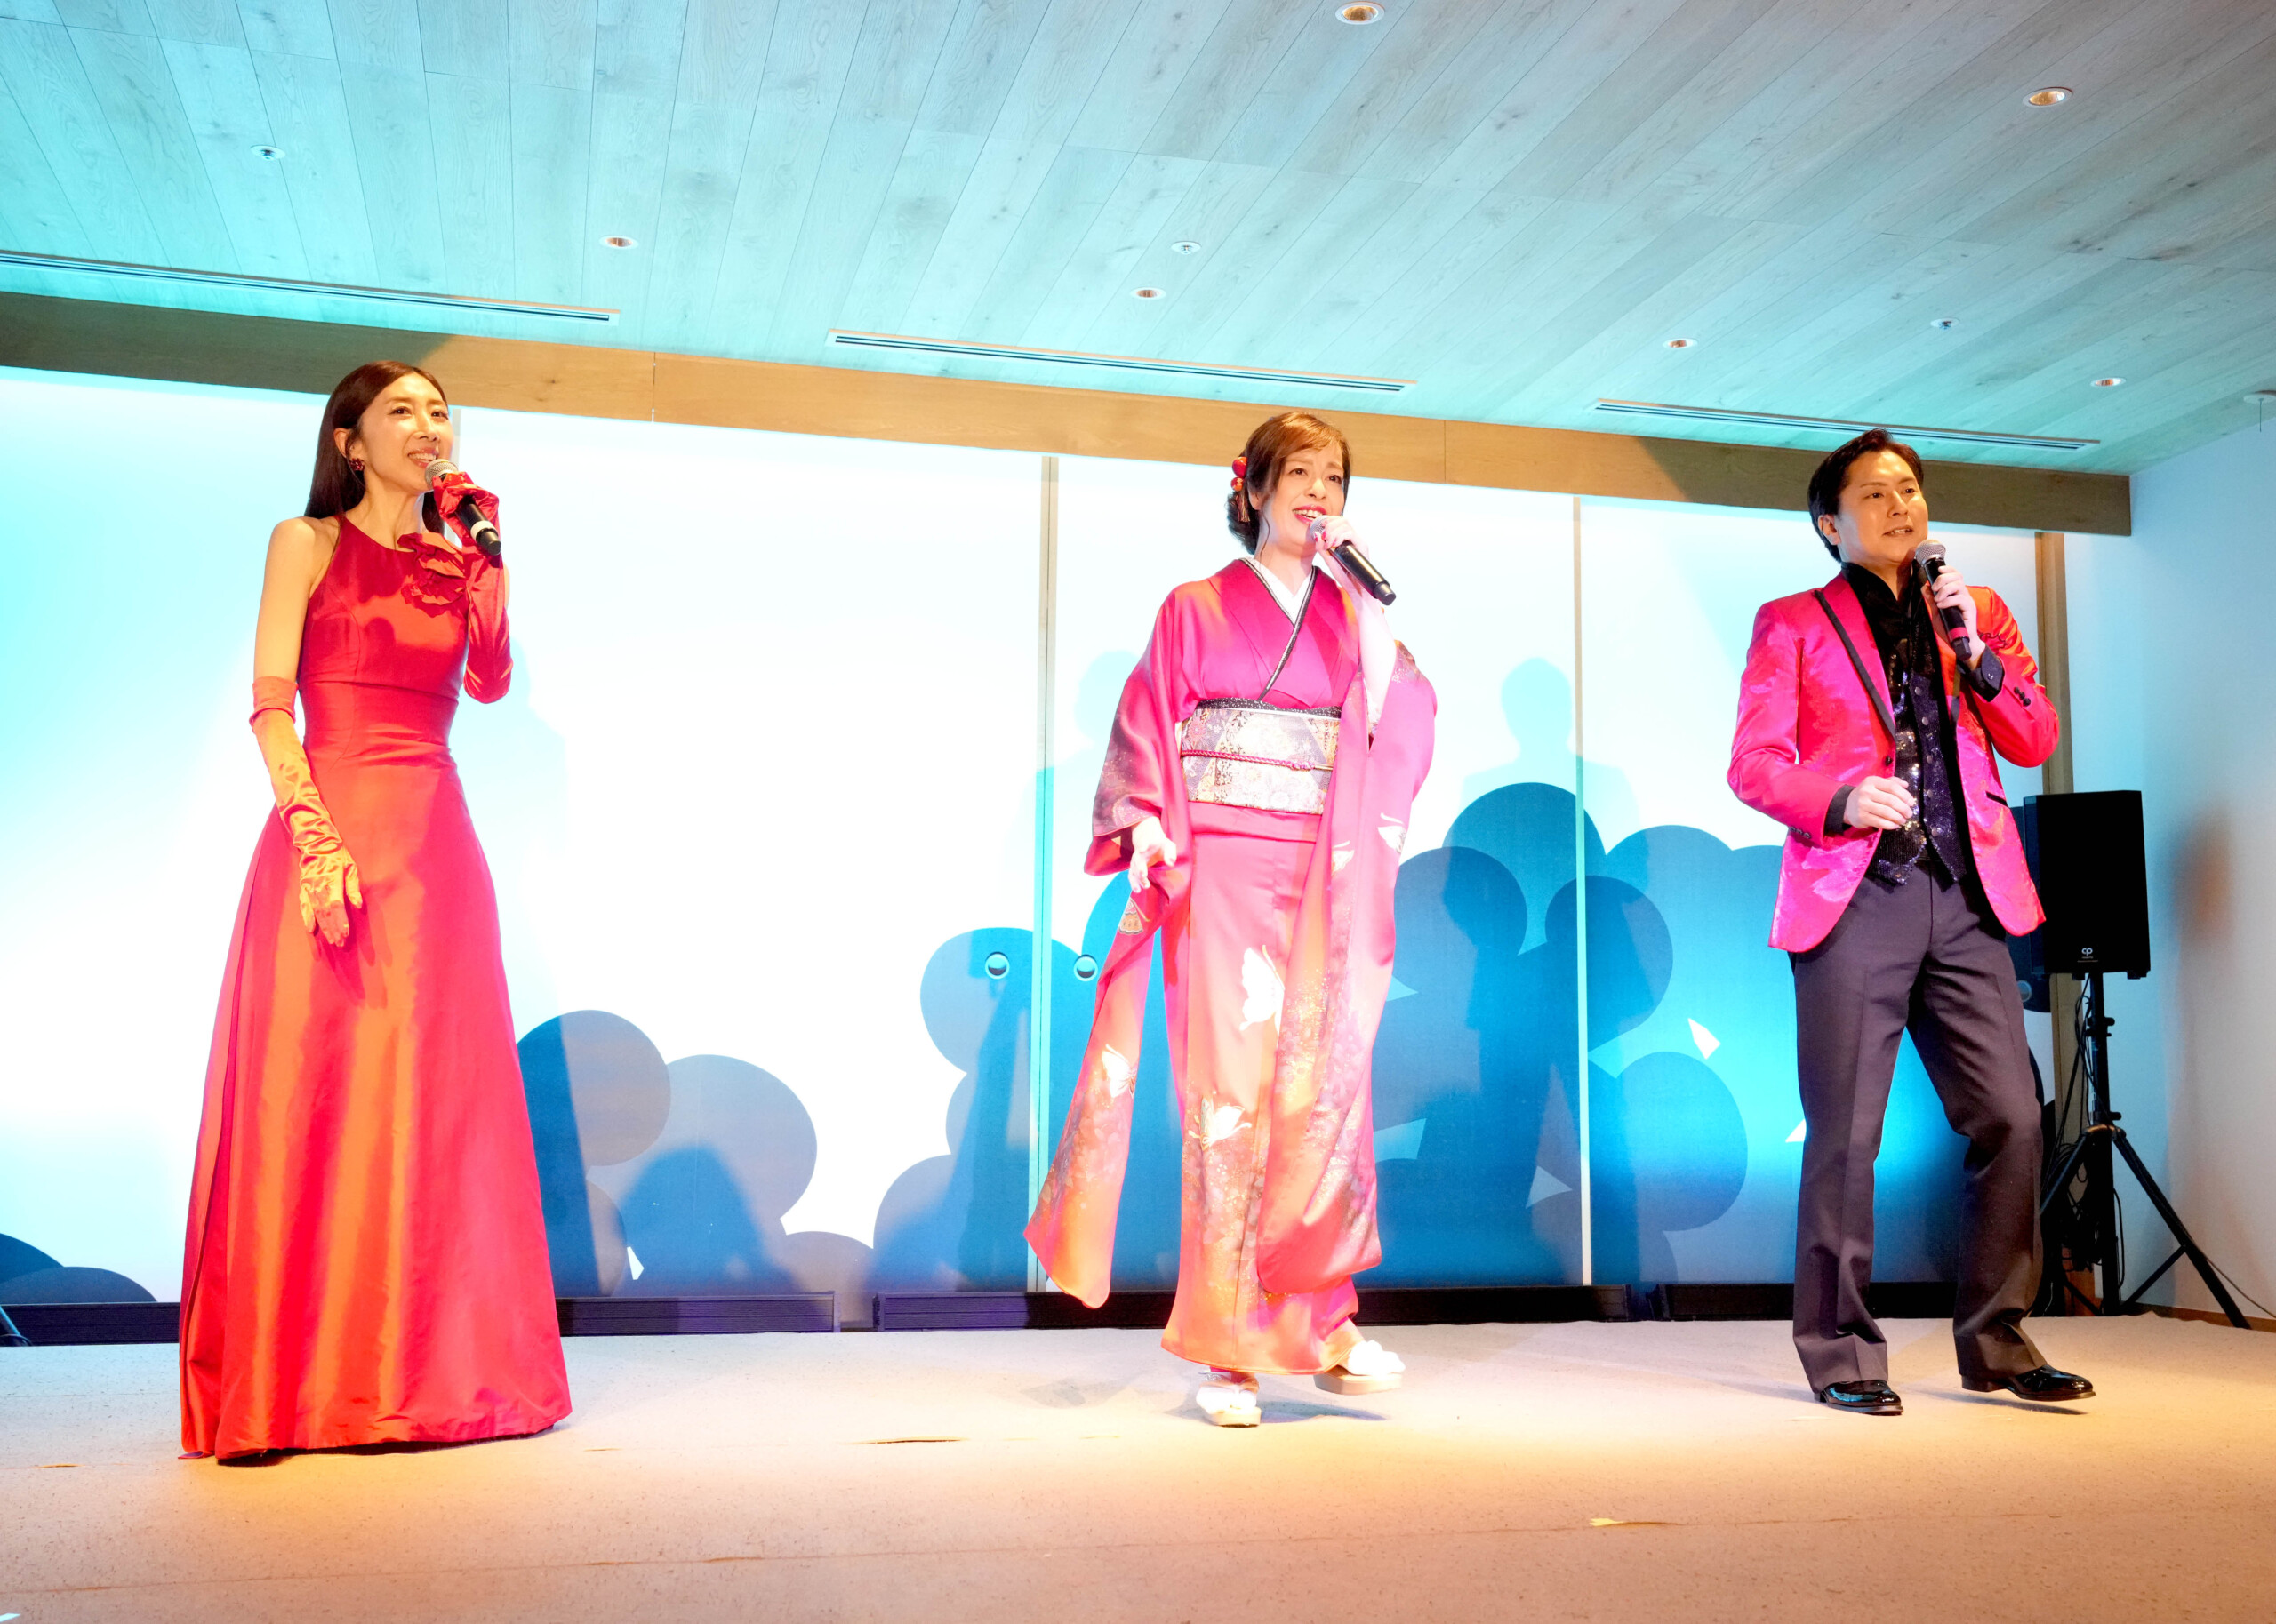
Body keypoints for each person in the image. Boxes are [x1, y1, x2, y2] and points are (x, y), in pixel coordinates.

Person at [180, 362, 570, 1459]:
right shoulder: (302, 541)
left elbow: (488, 681)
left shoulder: (457, 559)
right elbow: (270, 703)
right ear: (350, 442)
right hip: (329, 834)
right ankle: (293, 1386)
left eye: (440, 411)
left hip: (436, 847)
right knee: (313, 1090)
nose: (428, 425)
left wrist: (486, 557)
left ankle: (432, 1380)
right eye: (403, 409)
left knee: (432, 1103)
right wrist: (313, 836)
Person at [1026, 411, 1436, 1426]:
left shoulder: (1349, 609)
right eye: (1299, 475)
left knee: (1322, 1093)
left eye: (1334, 479)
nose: (1318, 494)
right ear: (1251, 488)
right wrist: (1146, 824)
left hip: (1323, 872)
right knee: (1230, 1103)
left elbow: (1398, 716)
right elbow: (1145, 725)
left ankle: (1326, 1323)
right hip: (1220, 875)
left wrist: (1368, 608)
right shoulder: (1194, 607)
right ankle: (1227, 1355)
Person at [1727, 428, 2093, 1416]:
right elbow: (1753, 764)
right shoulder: (1792, 622)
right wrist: (1841, 797)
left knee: (2013, 1115)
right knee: (1847, 1135)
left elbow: (2034, 736)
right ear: (1829, 522)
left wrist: (1975, 651)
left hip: (1969, 894)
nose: (1900, 506)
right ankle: (1842, 1350)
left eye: (1909, 490)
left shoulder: (1976, 613)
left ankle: (1999, 1337)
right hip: (1856, 895)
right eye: (1875, 494)